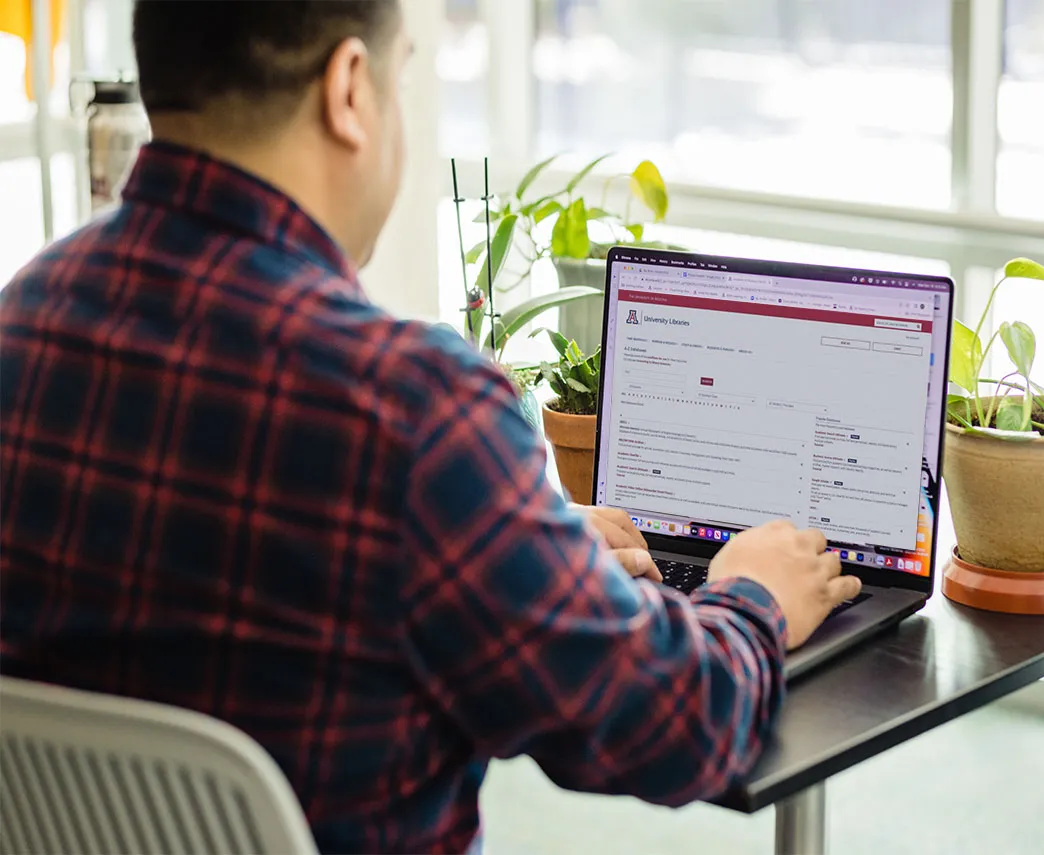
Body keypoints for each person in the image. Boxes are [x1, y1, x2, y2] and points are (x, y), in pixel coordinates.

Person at [0, 2, 860, 853]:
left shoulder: (21, 320)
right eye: (402, 75)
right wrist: (754, 595)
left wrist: (536, 549)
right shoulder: (412, 411)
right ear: (349, 89)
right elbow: (673, 728)